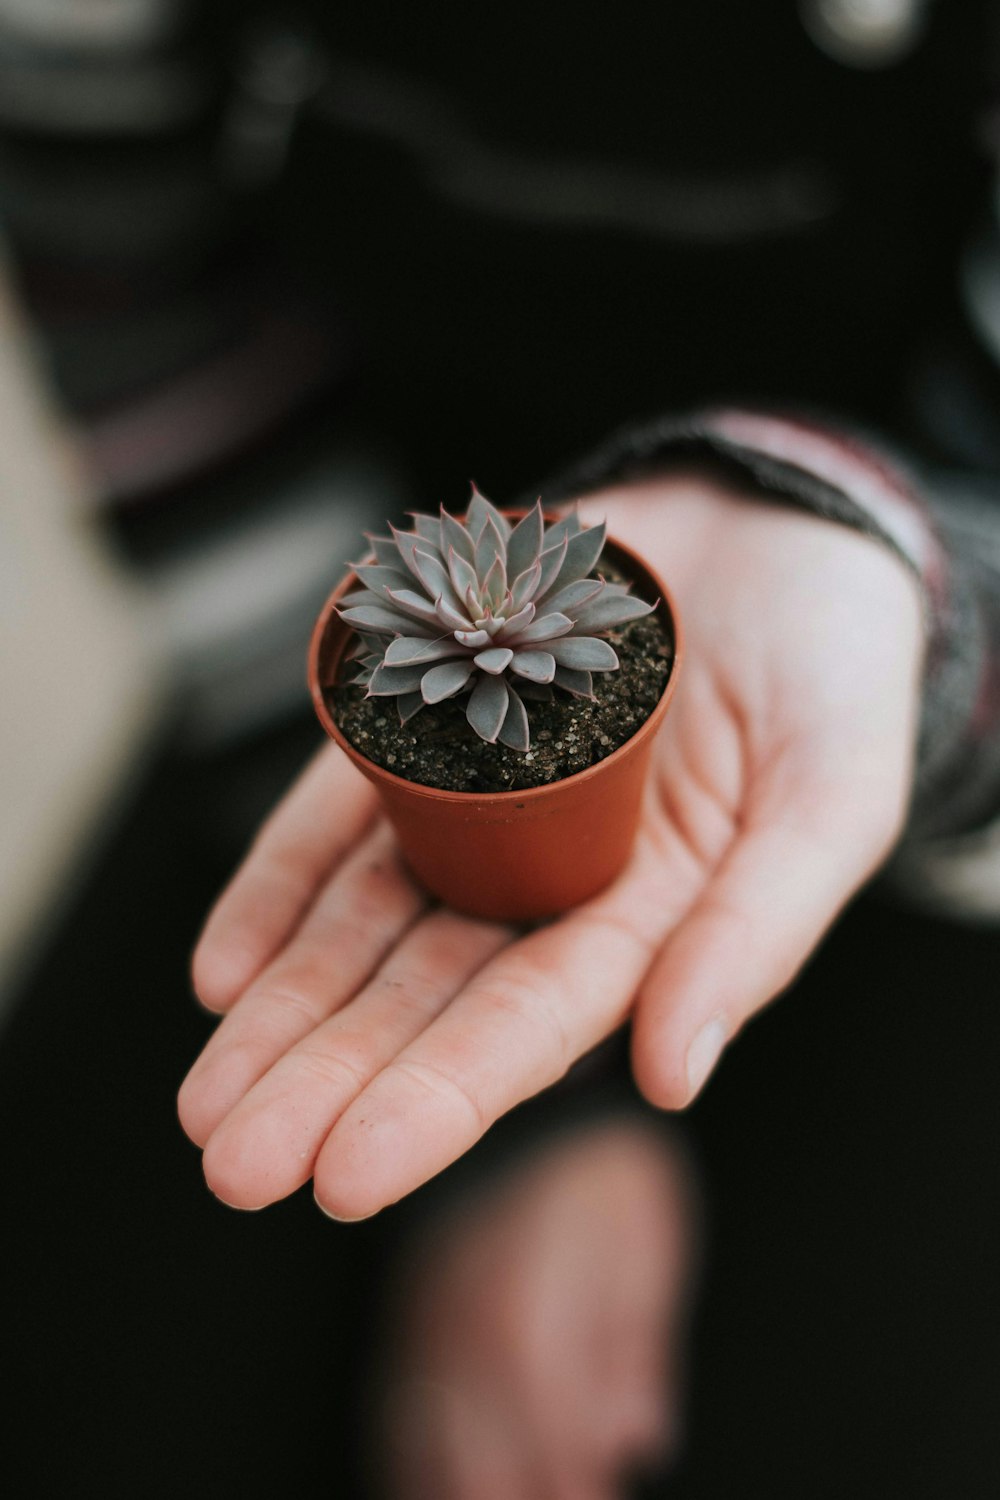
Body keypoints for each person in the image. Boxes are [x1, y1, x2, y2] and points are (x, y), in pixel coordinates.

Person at [178, 3, 1000, 1494]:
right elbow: (155, 339)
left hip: (937, 705)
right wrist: (524, 1133)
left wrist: (896, 599)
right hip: (323, 656)